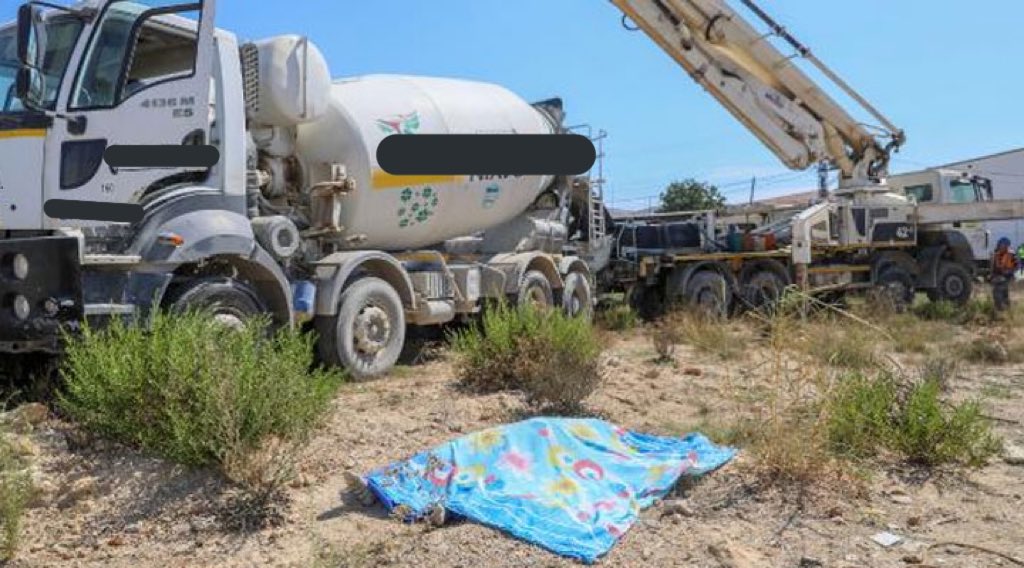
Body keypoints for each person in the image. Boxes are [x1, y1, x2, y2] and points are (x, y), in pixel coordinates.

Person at [991, 237, 1016, 313]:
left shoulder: (1010, 254)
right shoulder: (996, 254)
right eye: (1000, 245)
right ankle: (1004, 311)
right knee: (1001, 295)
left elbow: (1015, 267)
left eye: (1003, 245)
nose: (1001, 246)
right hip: (999, 277)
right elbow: (994, 268)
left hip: (1005, 277)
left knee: (999, 294)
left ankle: (1003, 311)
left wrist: (1009, 273)